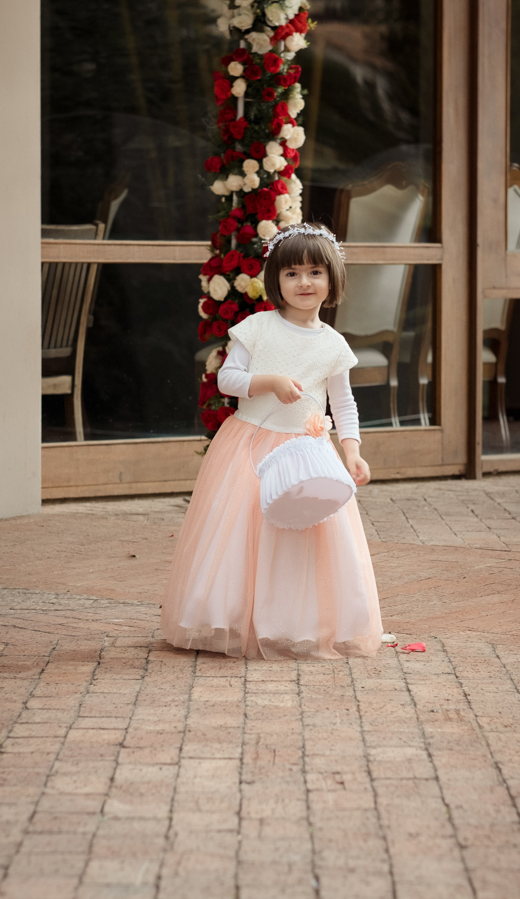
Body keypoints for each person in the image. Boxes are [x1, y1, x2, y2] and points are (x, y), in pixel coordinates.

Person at [161, 222, 383, 659]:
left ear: (332, 279)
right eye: (292, 273)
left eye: (315, 272)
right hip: (251, 450)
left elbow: (343, 403)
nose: (304, 282)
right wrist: (269, 382)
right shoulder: (259, 328)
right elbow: (228, 378)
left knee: (300, 540)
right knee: (242, 536)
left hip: (306, 453)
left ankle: (297, 624)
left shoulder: (334, 345)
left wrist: (352, 451)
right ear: (276, 280)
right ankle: (229, 618)